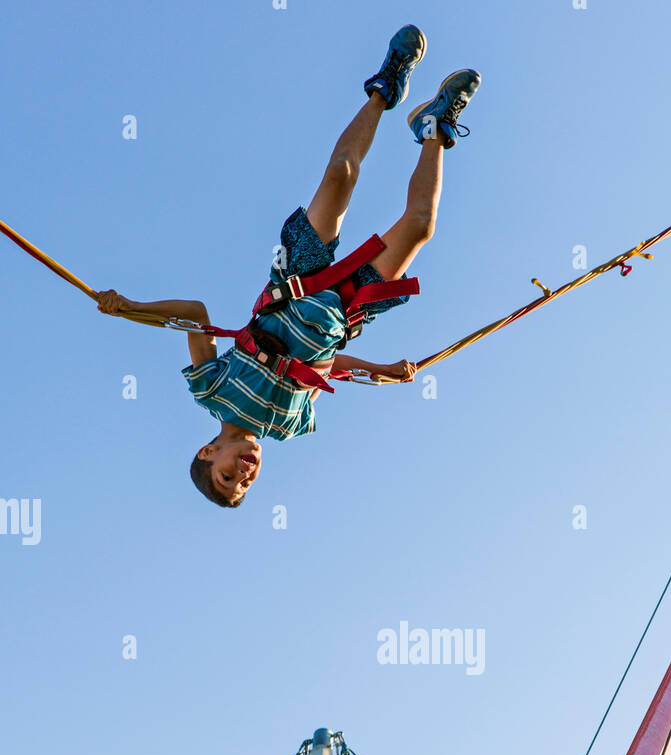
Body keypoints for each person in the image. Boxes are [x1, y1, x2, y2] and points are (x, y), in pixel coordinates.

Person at [95, 25, 481, 508]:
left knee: (340, 175)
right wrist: (382, 369)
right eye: (244, 485)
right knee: (420, 226)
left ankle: (386, 88)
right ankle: (434, 126)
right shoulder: (290, 424)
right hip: (346, 309)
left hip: (297, 280)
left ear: (209, 450)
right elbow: (325, 365)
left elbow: (194, 314)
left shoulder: (210, 391)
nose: (241, 476)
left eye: (225, 477)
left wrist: (129, 307)